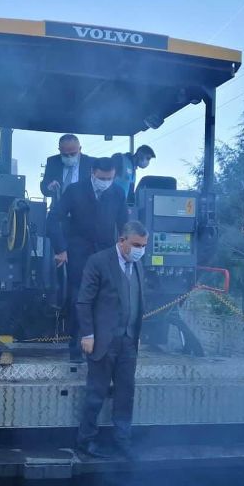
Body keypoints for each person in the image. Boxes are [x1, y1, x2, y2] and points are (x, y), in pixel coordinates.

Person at [75, 221, 148, 460]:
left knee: (126, 394)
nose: (140, 250)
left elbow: (137, 302)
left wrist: (136, 334)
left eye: (143, 246)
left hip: (128, 342)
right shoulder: (98, 261)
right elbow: (84, 301)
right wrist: (88, 335)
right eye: (136, 245)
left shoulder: (138, 265)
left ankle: (122, 441)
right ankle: (86, 440)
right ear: (122, 240)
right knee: (96, 393)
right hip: (103, 341)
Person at [48, 157, 128, 361]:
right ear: (92, 172)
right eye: (102, 178)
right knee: (79, 298)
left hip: (106, 253)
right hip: (78, 253)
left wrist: (125, 248)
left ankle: (102, 347)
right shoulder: (75, 190)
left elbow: (124, 224)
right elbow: (53, 218)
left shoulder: (118, 193)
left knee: (105, 298)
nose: (106, 182)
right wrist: (60, 249)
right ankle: (75, 348)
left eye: (110, 178)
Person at [40, 134, 95, 199]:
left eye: (73, 154)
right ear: (59, 150)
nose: (69, 157)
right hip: (59, 204)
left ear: (80, 149)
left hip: (85, 204)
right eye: (65, 155)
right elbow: (44, 189)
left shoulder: (91, 163)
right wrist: (49, 187)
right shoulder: (53, 162)